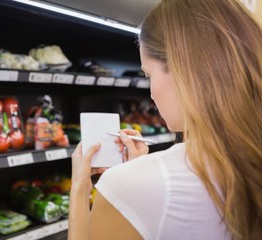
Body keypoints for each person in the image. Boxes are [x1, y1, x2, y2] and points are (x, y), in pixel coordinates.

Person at [68, 0, 262, 239]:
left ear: (183, 69)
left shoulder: (125, 184)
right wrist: (137, 173)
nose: (150, 92)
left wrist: (80, 188)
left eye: (148, 74)